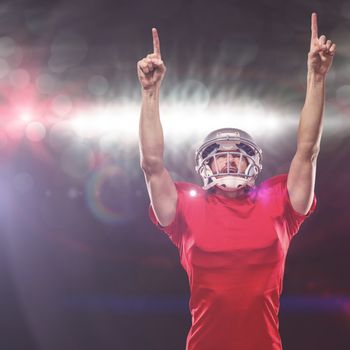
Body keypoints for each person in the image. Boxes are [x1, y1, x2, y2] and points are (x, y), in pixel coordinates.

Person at [137, 13, 336, 350]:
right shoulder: (186, 204)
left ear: (252, 162)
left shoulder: (279, 201)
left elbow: (308, 151)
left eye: (238, 154)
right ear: (206, 163)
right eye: (220, 154)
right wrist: (149, 93)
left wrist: (316, 78)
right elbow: (152, 165)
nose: (229, 159)